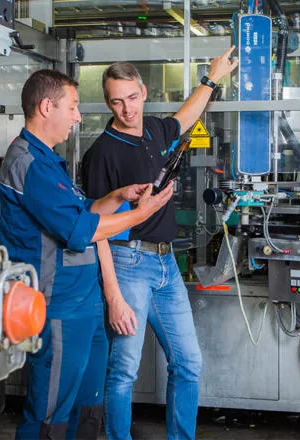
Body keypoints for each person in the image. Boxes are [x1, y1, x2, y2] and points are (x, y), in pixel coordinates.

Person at [0, 69, 173, 440]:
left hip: (85, 303)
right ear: (47, 107)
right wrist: (141, 213)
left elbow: (83, 211)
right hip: (59, 305)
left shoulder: (48, 161)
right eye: (73, 107)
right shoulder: (28, 164)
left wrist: (118, 197)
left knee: (89, 407)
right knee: (51, 413)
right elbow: (81, 230)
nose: (78, 117)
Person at [81, 46, 239, 440]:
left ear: (143, 92)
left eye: (132, 98)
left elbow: (185, 117)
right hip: (127, 264)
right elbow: (95, 230)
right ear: (108, 103)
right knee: (124, 371)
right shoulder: (101, 153)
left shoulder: (152, 129)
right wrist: (113, 296)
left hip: (167, 265)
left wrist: (212, 78)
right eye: (117, 101)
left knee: (188, 363)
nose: (127, 109)